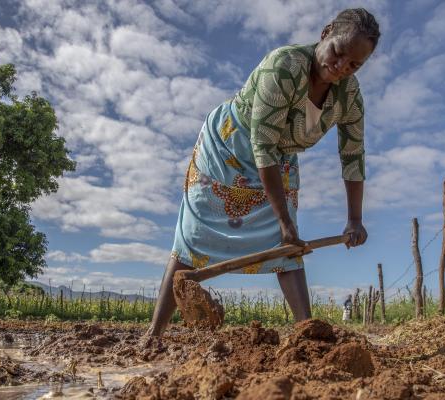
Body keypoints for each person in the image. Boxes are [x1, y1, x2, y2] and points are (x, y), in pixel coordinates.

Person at [147, 8, 380, 336]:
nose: (342, 67)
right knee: (193, 235)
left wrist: (354, 218)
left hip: (279, 157)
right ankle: (153, 335)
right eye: (338, 52)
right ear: (326, 32)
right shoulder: (283, 67)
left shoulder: (350, 96)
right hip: (228, 146)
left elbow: (353, 155)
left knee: (288, 246)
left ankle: (306, 334)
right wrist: (283, 220)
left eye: (354, 64)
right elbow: (263, 146)